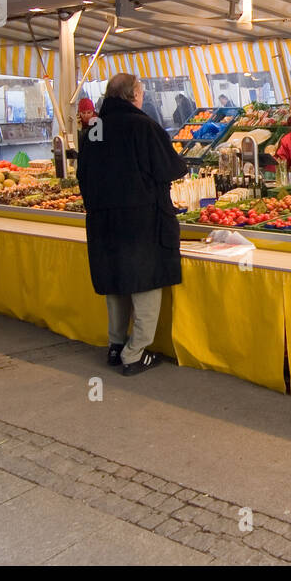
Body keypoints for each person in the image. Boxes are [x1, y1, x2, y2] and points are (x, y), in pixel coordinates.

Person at [76, 74, 187, 376]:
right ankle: (135, 353)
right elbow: (172, 169)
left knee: (115, 282)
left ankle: (115, 345)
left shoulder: (95, 129)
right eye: (141, 93)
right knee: (145, 283)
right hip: (141, 222)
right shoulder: (143, 126)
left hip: (103, 219)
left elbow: (82, 174)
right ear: (135, 94)